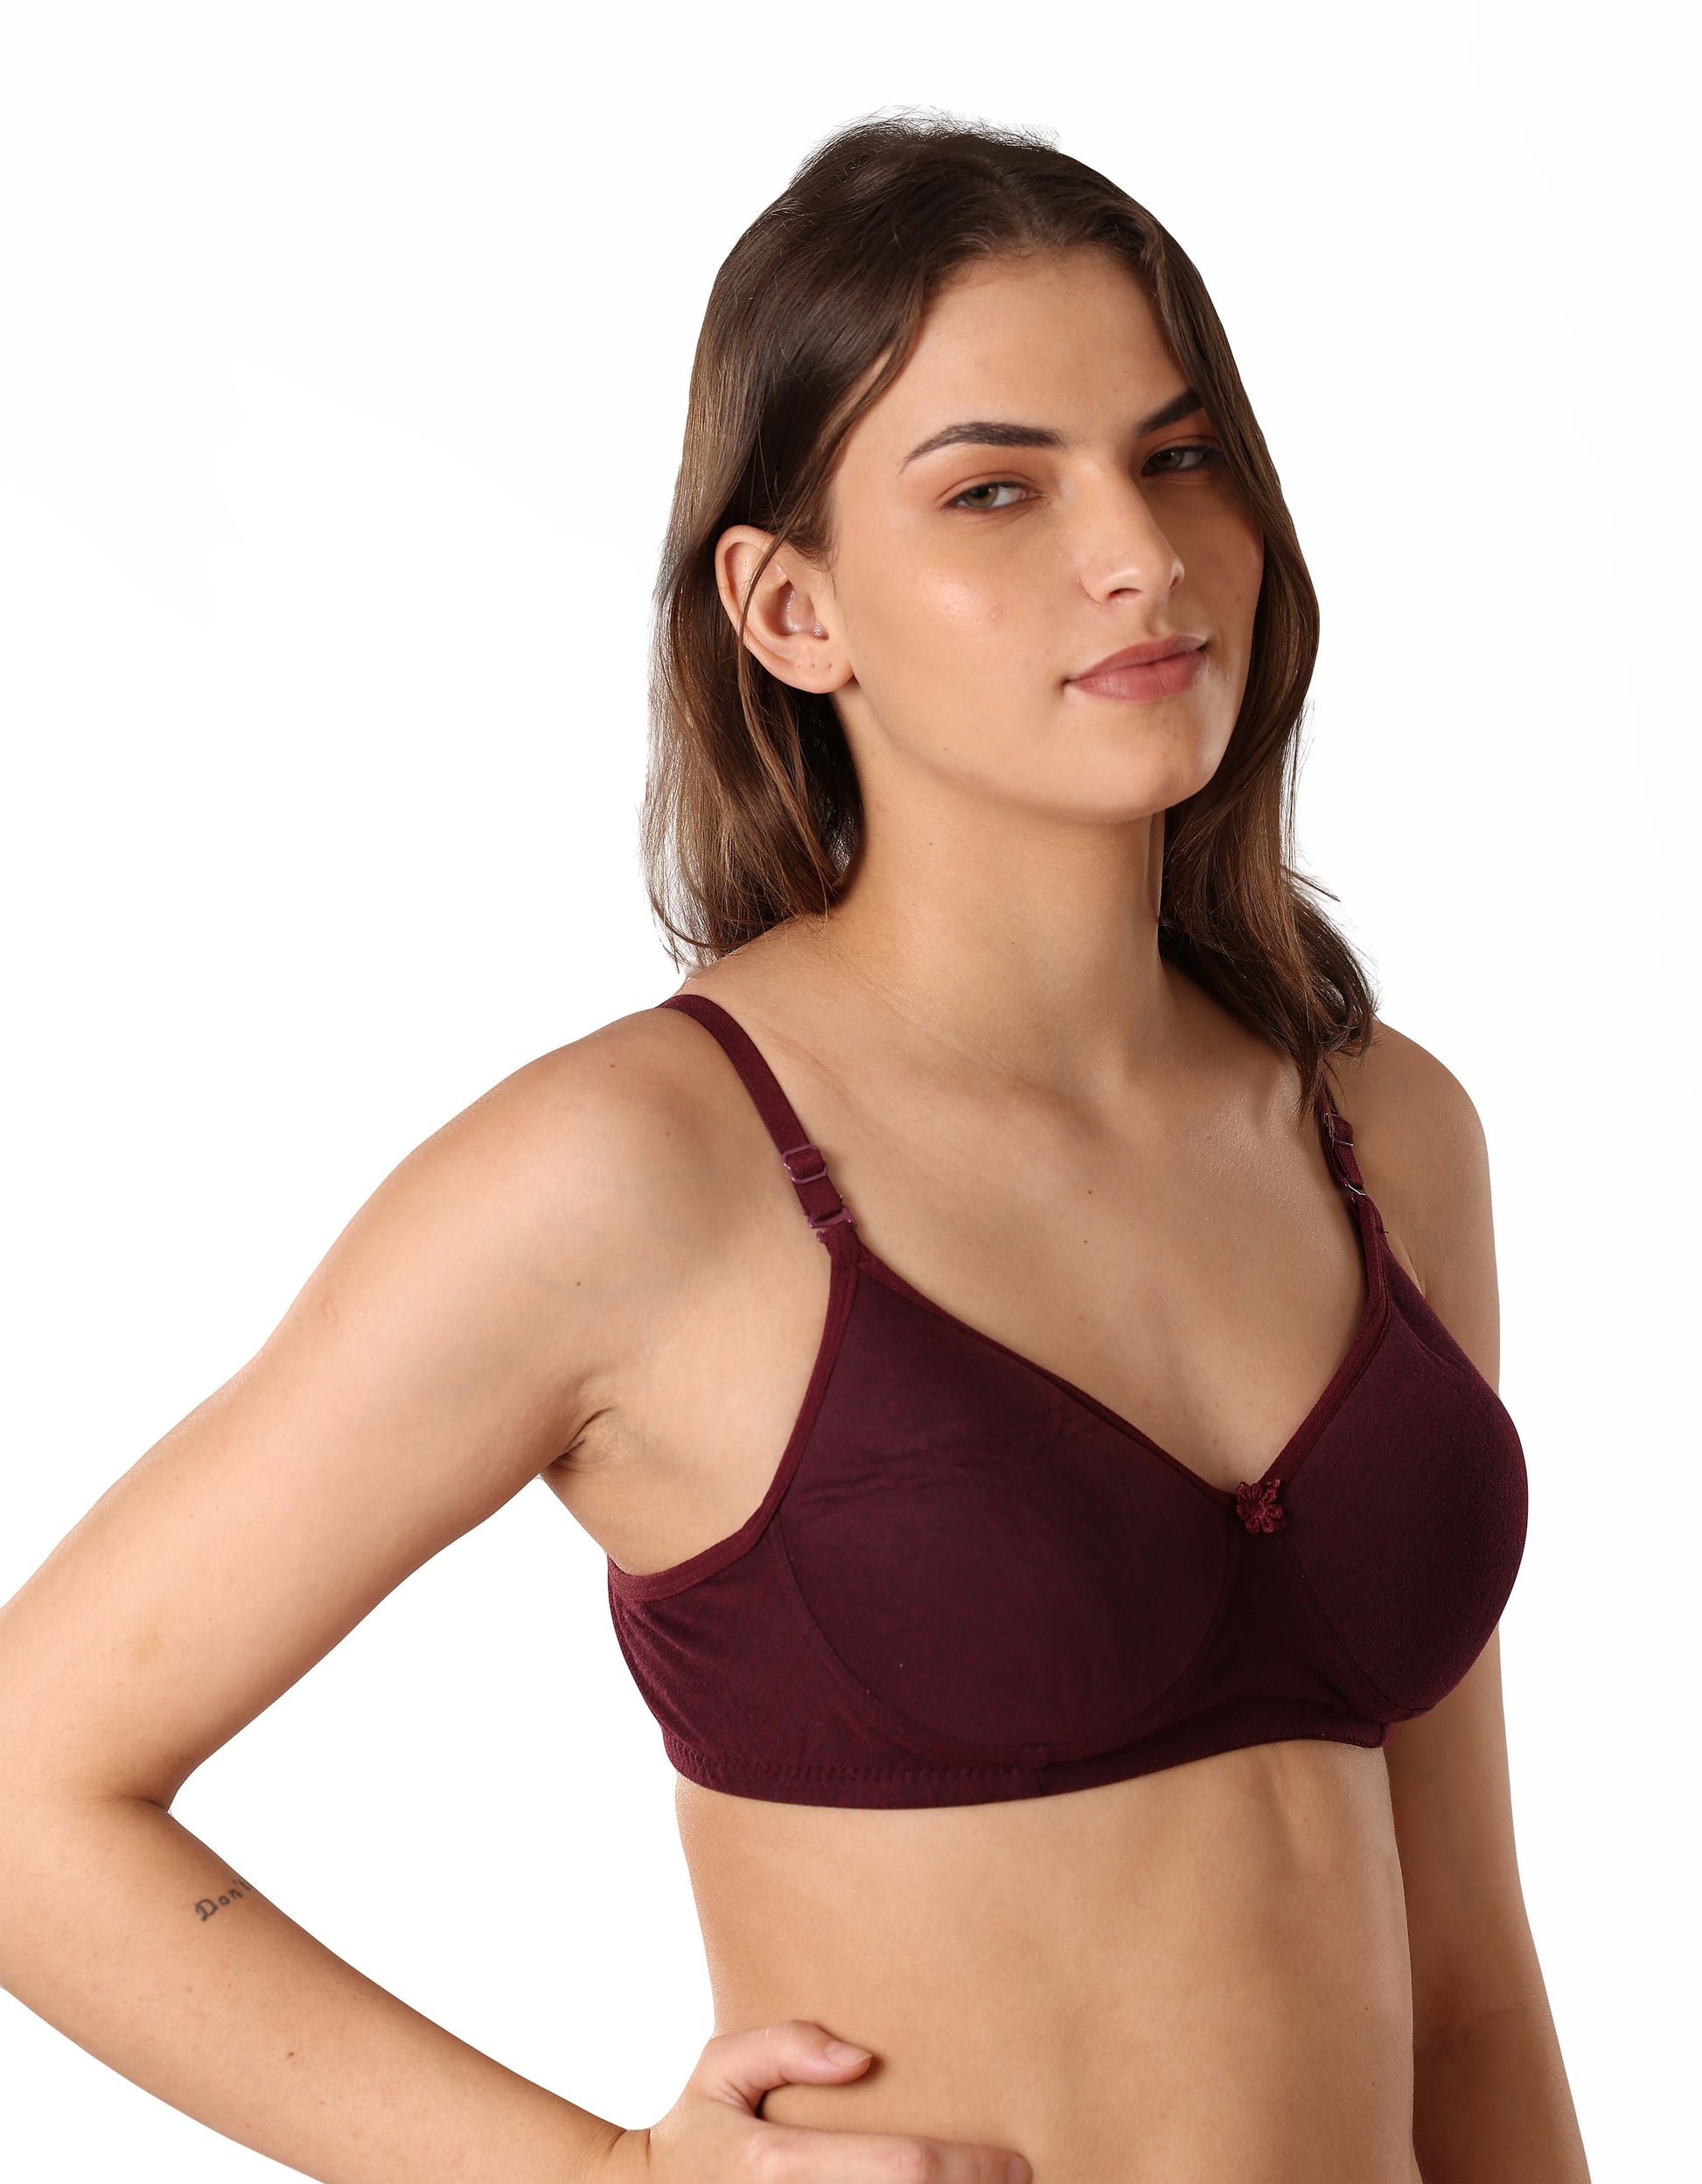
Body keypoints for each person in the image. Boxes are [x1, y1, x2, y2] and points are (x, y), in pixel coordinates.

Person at [0, 112, 1590, 2183]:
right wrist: (599, 2181)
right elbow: (30, 1793)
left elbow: (1468, 1979)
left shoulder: (1383, 1130)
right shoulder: (637, 1176)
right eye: (997, 487)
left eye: (1180, 454)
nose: (1138, 551)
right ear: (786, 608)